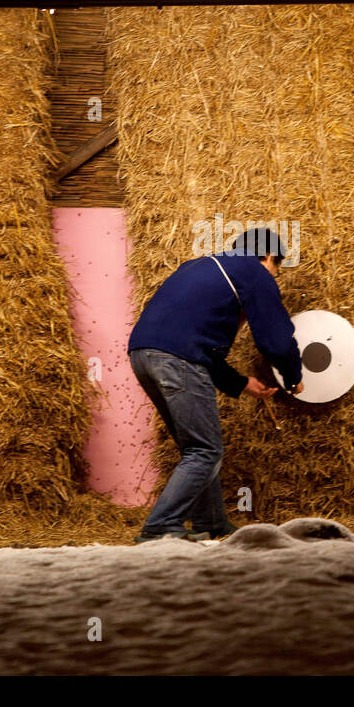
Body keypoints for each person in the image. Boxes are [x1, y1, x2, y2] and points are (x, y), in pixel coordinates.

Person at [128, 226, 304, 543]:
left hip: (143, 355)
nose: (275, 276)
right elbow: (275, 340)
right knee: (205, 450)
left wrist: (239, 384)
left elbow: (200, 345)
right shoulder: (255, 271)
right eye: (277, 268)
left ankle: (210, 522)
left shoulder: (198, 266)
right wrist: (294, 376)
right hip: (177, 359)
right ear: (267, 257)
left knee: (196, 448)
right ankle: (158, 528)